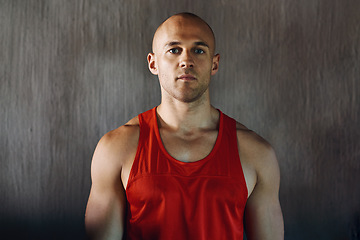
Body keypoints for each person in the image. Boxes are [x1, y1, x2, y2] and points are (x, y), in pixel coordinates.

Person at [85, 12, 284, 240]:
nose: (186, 60)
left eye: (198, 50)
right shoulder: (116, 148)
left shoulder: (256, 153)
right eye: (174, 50)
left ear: (214, 64)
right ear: (153, 63)